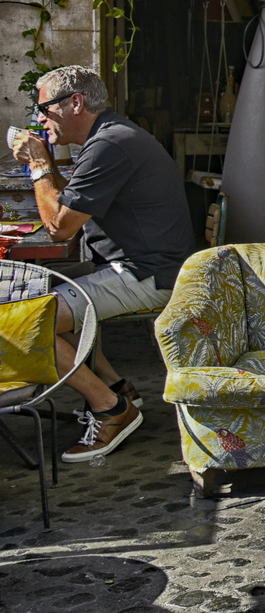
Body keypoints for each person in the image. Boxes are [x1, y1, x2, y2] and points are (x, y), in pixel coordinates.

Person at [10, 65, 193, 462]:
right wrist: (47, 163)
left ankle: (110, 409)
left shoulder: (111, 144)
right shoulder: (108, 137)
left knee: (24, 322)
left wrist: (40, 164)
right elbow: (70, 209)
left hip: (145, 274)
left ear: (75, 103)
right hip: (140, 266)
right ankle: (118, 387)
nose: (39, 119)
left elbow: (59, 227)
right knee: (42, 294)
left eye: (43, 108)